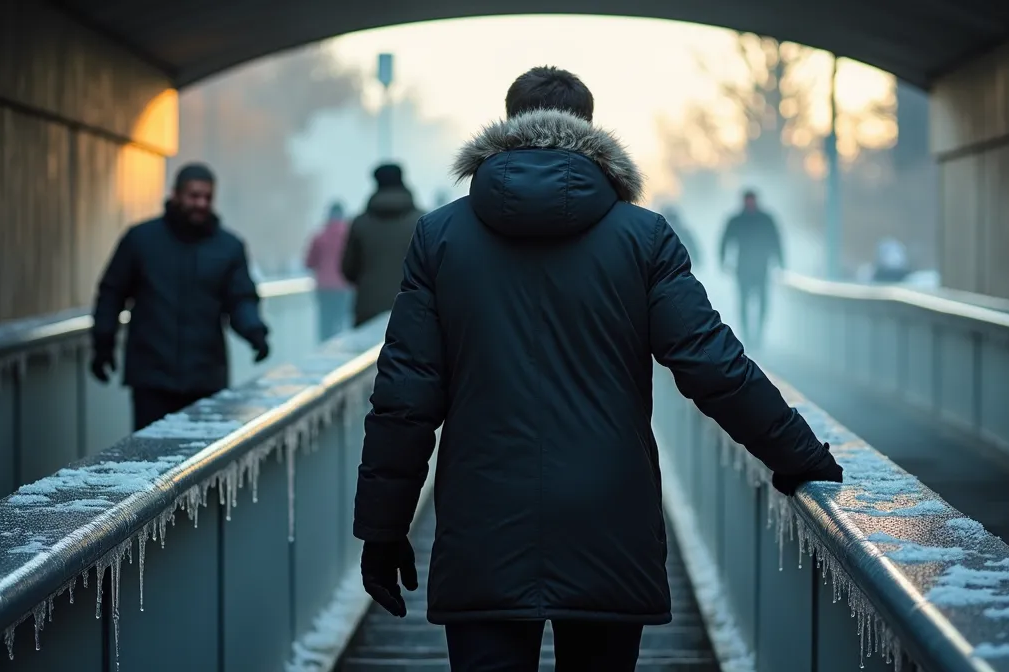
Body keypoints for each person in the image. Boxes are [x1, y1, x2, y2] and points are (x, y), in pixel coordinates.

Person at [351, 66, 843, 672]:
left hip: (483, 517)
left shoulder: (441, 236)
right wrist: (801, 457)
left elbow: (406, 397)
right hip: (610, 514)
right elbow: (712, 365)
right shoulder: (643, 238)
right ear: (588, 127)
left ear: (508, 124)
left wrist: (382, 526)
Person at [90, 163, 270, 431]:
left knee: (201, 463)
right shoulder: (141, 240)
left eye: (207, 197)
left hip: (205, 378)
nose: (200, 203)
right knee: (149, 462)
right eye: (193, 195)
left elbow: (241, 298)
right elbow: (112, 293)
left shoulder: (228, 247)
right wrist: (103, 341)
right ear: (175, 194)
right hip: (151, 377)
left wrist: (255, 332)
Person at [341, 164, 424, 326]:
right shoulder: (422, 222)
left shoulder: (360, 223)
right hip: (412, 308)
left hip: (369, 309)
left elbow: (348, 270)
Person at [719, 190, 784, 348]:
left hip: (762, 267)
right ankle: (747, 336)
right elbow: (725, 241)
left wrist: (781, 262)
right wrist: (723, 261)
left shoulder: (766, 219)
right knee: (743, 303)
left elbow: (776, 240)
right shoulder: (736, 220)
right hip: (743, 269)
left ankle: (758, 336)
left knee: (762, 303)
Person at [305, 201, 353, 340]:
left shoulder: (320, 236)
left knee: (326, 324)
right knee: (342, 323)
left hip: (324, 288)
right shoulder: (349, 235)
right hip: (344, 287)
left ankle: (326, 351)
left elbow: (309, 262)